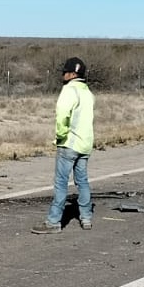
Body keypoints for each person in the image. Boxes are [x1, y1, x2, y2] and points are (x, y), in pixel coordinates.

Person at [32, 57, 95, 234]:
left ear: (72, 74)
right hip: (85, 144)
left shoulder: (69, 91)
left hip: (69, 144)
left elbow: (62, 116)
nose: (63, 75)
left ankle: (53, 221)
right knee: (82, 181)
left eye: (65, 72)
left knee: (61, 183)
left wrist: (61, 136)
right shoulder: (88, 93)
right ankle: (86, 217)